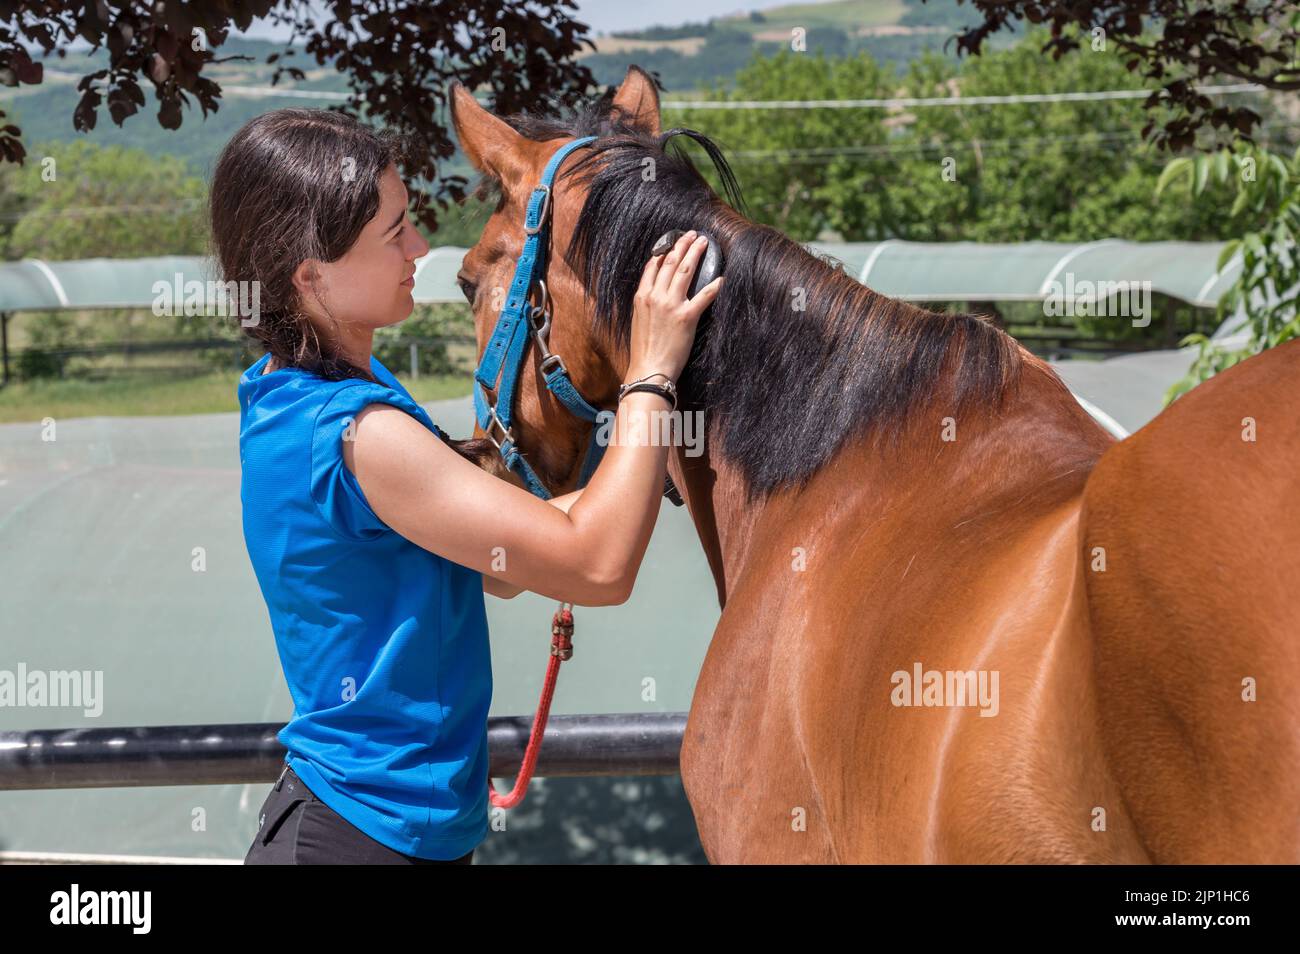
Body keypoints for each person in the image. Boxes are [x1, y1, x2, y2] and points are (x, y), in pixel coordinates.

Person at [213, 108, 723, 864]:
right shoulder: (361, 434)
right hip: (361, 841)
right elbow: (597, 566)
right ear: (310, 274)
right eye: (395, 235)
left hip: (384, 829)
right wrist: (649, 374)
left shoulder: (300, 393)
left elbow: (498, 559)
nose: (419, 247)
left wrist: (649, 465)